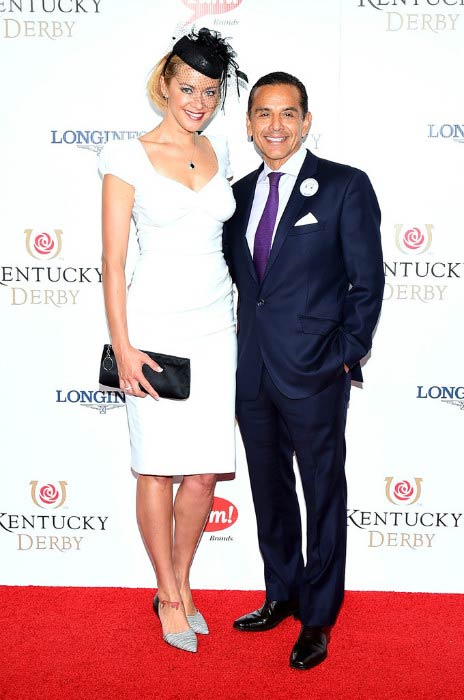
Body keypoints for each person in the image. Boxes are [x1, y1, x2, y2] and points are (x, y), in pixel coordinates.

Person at [223, 72, 384, 670]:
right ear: (249, 123)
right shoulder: (235, 195)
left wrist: (345, 353)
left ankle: (318, 618)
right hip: (253, 373)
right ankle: (281, 593)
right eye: (263, 113)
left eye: (288, 113)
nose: (275, 126)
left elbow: (368, 284)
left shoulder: (344, 186)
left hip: (317, 371)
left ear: (306, 120)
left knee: (321, 494)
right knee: (269, 493)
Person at [99, 29, 245, 653]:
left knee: (205, 471)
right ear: (164, 84)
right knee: (156, 468)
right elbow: (111, 261)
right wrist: (124, 346)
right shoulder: (124, 156)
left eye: (210, 93)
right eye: (188, 88)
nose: (198, 102)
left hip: (217, 328)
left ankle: (183, 582)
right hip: (154, 327)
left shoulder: (221, 151)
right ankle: (165, 592)